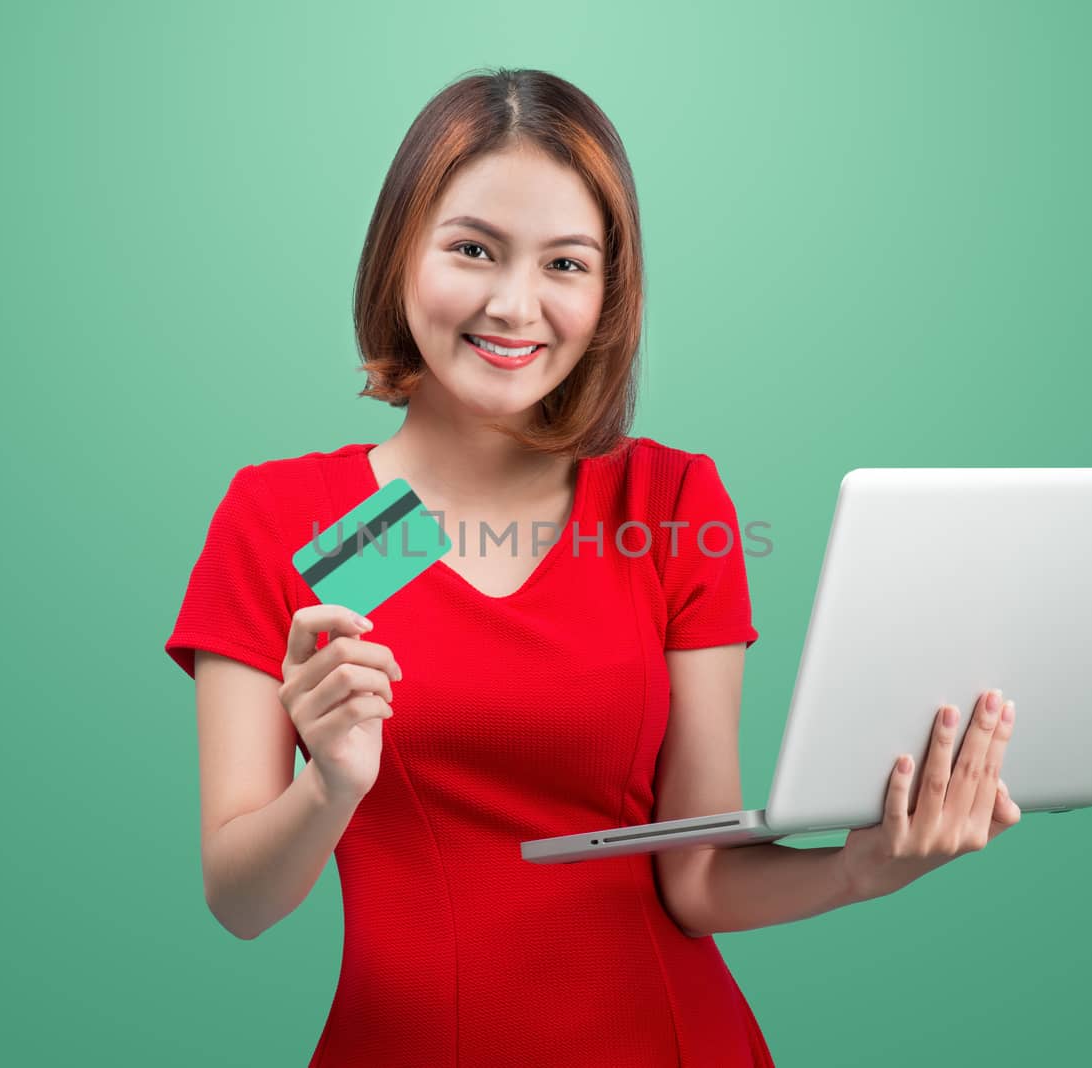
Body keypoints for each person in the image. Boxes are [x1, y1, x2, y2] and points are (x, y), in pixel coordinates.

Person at [164, 67, 1023, 1068]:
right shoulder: (295, 521)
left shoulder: (667, 506)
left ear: (609, 292)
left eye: (565, 265)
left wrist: (866, 868)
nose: (513, 305)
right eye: (473, 249)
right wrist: (332, 788)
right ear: (401, 251)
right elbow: (240, 901)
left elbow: (693, 881)